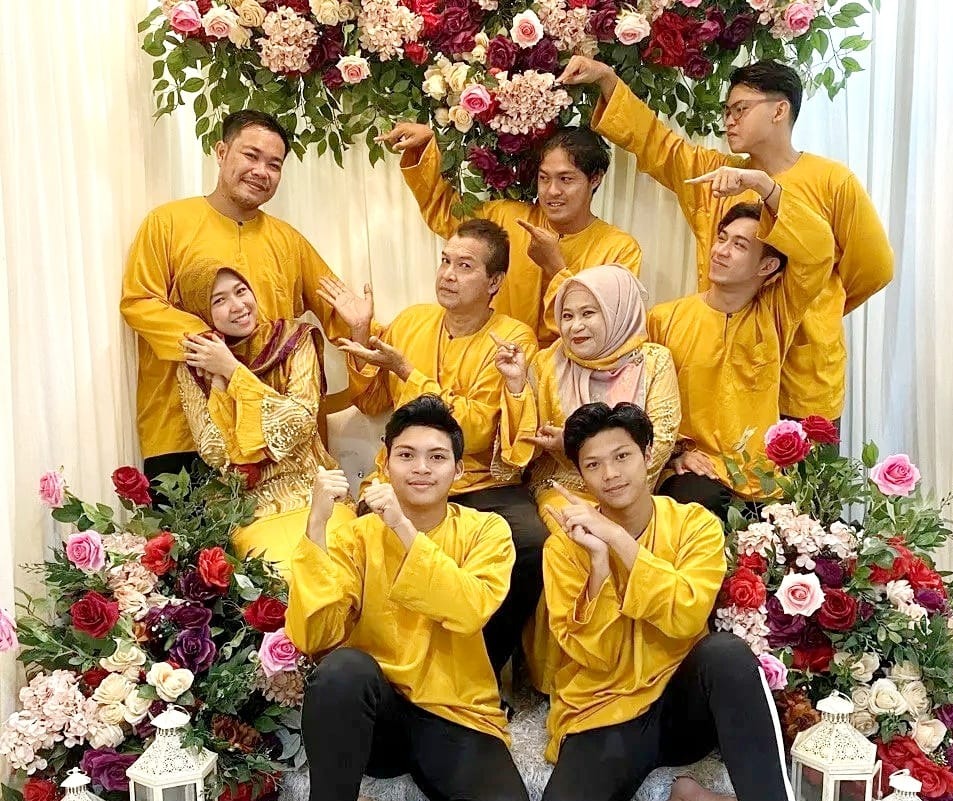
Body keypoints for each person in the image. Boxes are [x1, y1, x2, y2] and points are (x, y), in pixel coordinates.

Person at [536, 401, 840, 801]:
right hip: (602, 710)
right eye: (593, 464)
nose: (610, 474)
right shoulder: (565, 548)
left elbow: (684, 615)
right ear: (580, 475)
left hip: (680, 707)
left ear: (647, 455)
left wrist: (618, 541)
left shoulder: (693, 523)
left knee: (726, 654)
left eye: (622, 456)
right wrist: (599, 564)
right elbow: (591, 653)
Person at [280, 395, 539, 801]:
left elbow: (469, 607)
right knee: (342, 671)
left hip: (457, 711)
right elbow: (315, 636)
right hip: (381, 720)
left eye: (437, 457)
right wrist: (316, 527)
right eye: (406, 455)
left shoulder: (487, 531)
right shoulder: (356, 537)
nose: (421, 468)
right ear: (386, 461)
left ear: (458, 470)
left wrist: (401, 527)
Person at [558, 56, 894, 424]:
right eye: (727, 111)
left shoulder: (833, 181)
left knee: (801, 462)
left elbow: (873, 270)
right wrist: (607, 79)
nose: (729, 120)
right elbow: (658, 144)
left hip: (803, 373)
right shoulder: (717, 176)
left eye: (741, 109)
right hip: (728, 367)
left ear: (779, 110)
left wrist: (816, 308)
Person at [323, 219, 546, 677]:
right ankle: (392, 668)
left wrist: (408, 372)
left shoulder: (512, 338)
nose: (447, 274)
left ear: (495, 282)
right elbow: (372, 402)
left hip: (477, 480)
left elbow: (477, 432)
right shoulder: (411, 322)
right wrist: (361, 333)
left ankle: (478, 670)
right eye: (445, 261)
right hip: (404, 476)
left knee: (532, 542)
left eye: (465, 266)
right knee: (367, 533)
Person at [121, 110, 347, 482]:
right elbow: (140, 301)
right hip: (181, 431)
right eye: (251, 155)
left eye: (274, 165)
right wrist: (212, 347)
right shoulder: (167, 223)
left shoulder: (289, 241)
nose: (261, 171)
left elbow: (339, 310)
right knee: (186, 523)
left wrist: (360, 326)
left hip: (268, 438)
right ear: (222, 152)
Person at [647, 179, 834, 517]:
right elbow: (642, 400)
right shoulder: (664, 319)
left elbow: (819, 251)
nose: (720, 251)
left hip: (762, 480)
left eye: (739, 245)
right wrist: (675, 454)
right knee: (702, 502)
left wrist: (763, 185)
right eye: (722, 238)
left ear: (767, 266)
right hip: (693, 472)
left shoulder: (776, 313)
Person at [378, 122, 641, 346]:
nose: (552, 191)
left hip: (568, 376)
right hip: (495, 361)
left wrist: (555, 268)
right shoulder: (507, 217)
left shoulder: (618, 248)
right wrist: (424, 148)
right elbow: (446, 213)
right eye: (544, 178)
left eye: (566, 179)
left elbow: (609, 332)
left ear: (595, 179)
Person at [175, 260, 352, 578]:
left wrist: (233, 372)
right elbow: (215, 452)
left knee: (337, 570)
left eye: (241, 291)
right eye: (219, 300)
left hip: (313, 488)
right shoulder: (194, 367)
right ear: (200, 312)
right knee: (280, 577)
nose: (238, 305)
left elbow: (299, 422)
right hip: (249, 508)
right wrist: (218, 385)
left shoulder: (294, 340)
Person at [495, 264, 680, 531]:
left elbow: (660, 439)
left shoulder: (654, 362)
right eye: (567, 315)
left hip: (633, 489)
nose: (575, 326)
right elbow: (521, 446)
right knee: (578, 535)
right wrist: (516, 385)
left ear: (617, 311)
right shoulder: (546, 364)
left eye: (588, 313)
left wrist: (575, 445)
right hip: (565, 487)